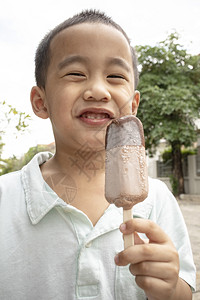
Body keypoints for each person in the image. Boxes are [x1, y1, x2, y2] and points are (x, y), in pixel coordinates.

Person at [0, 9, 196, 300]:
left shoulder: (157, 198)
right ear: (41, 102)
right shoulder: (5, 198)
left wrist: (170, 289)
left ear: (133, 105)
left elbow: (183, 290)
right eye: (76, 74)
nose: (97, 90)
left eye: (115, 76)